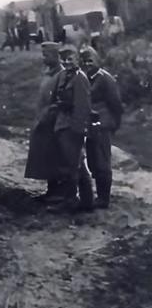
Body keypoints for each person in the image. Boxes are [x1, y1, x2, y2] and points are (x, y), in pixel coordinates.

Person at [49, 44, 93, 210]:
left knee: (73, 165)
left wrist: (78, 130)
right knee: (74, 163)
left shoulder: (80, 78)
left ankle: (71, 200)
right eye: (64, 59)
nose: (67, 62)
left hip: (73, 127)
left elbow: (83, 106)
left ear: (78, 60)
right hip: (62, 124)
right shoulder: (63, 76)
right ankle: (86, 202)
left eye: (70, 59)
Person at [79, 46, 124, 209]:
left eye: (91, 61)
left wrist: (114, 124)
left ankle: (104, 198)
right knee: (92, 161)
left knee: (102, 161)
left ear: (97, 61)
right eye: (84, 61)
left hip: (102, 124)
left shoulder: (106, 79)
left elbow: (116, 105)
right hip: (89, 126)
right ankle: (99, 194)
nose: (88, 64)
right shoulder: (83, 78)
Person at [25, 42, 65, 202]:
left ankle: (59, 192)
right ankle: (51, 189)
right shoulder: (49, 73)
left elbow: (59, 101)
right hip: (43, 119)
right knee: (45, 155)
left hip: (53, 122)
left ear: (56, 56)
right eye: (43, 55)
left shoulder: (61, 75)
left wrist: (47, 116)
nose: (44, 59)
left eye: (46, 55)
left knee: (56, 156)